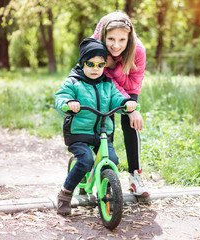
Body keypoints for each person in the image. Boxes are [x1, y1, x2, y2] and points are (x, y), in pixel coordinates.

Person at [55, 37, 138, 215]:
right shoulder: (73, 82)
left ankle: (107, 191)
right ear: (82, 63)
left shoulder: (107, 83)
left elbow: (117, 97)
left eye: (100, 65)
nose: (95, 69)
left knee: (112, 161)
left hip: (102, 132)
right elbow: (61, 97)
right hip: (79, 133)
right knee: (85, 161)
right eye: (90, 64)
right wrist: (68, 103)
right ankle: (65, 194)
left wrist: (126, 103)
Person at [92, 10, 150, 197]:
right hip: (101, 82)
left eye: (122, 40)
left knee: (130, 122)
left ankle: (135, 175)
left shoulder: (138, 51)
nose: (116, 46)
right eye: (111, 39)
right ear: (103, 37)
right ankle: (106, 174)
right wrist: (106, 67)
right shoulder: (96, 46)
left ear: (129, 39)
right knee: (105, 122)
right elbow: (102, 77)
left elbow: (133, 84)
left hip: (128, 87)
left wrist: (131, 107)